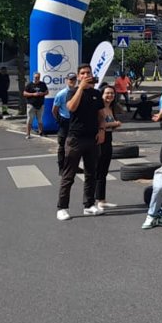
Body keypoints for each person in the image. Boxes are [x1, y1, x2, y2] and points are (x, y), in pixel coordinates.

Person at [56, 64, 103, 221]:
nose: (86, 75)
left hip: (92, 138)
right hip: (75, 138)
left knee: (91, 173)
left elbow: (100, 114)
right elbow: (71, 107)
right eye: (82, 73)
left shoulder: (96, 93)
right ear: (78, 76)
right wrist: (81, 88)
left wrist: (101, 130)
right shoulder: (72, 92)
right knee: (68, 174)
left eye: (88, 73)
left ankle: (89, 205)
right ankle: (62, 207)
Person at [93, 85, 122, 213]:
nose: (110, 96)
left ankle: (102, 199)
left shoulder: (111, 108)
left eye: (112, 93)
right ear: (102, 94)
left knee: (104, 171)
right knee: (98, 170)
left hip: (108, 139)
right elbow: (100, 124)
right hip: (99, 140)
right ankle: (95, 200)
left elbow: (109, 126)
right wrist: (114, 124)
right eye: (107, 93)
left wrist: (114, 125)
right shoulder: (98, 109)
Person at [51, 73, 77, 171]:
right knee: (62, 146)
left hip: (75, 121)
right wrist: (59, 120)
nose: (72, 81)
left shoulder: (78, 92)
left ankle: (74, 166)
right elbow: (54, 110)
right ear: (66, 80)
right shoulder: (61, 94)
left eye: (74, 79)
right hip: (65, 121)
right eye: (70, 79)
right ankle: (61, 168)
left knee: (75, 146)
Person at [23, 72, 48, 139]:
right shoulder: (29, 84)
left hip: (40, 104)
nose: (37, 78)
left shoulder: (42, 84)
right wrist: (33, 94)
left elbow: (47, 92)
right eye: (35, 77)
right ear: (33, 77)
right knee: (30, 119)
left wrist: (42, 93)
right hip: (31, 104)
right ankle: (28, 134)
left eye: (38, 77)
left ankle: (41, 132)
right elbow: (24, 93)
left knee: (40, 119)